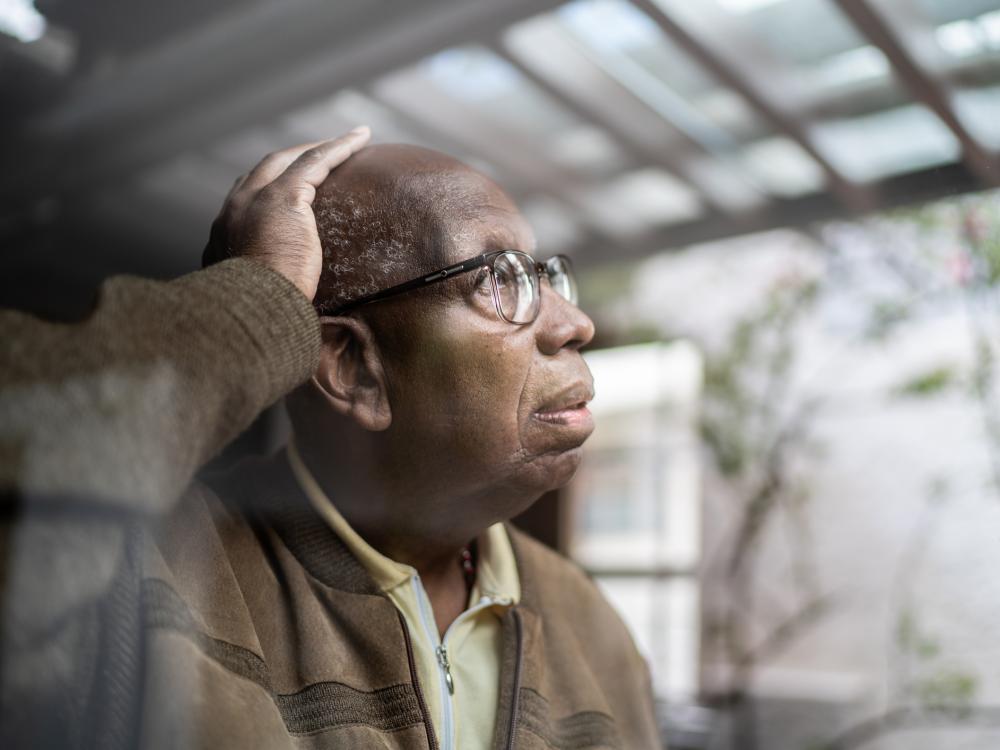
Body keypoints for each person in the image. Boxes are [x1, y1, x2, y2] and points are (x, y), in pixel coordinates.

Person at [0, 128, 662, 749]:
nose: (575, 323)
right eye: (499, 278)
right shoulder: (149, 572)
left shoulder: (594, 629)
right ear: (353, 370)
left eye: (545, 276)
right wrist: (254, 303)